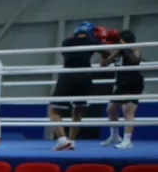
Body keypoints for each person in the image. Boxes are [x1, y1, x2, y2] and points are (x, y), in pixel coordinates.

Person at [49, 22, 99, 151]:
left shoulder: (67, 41)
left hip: (69, 75)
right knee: (78, 111)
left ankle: (62, 140)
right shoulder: (94, 41)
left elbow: (66, 58)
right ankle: (71, 141)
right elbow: (107, 56)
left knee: (53, 110)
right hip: (86, 77)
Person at [101, 30, 142, 149]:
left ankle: (127, 140)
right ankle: (114, 136)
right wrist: (109, 52)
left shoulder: (133, 48)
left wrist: (125, 48)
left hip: (133, 82)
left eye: (120, 39)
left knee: (128, 112)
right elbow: (103, 64)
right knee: (110, 109)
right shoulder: (117, 50)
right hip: (121, 83)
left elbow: (136, 59)